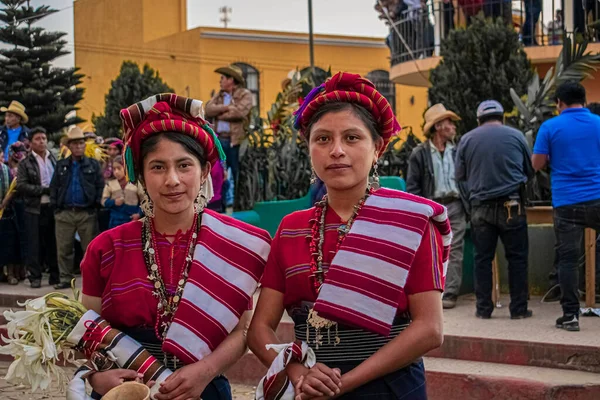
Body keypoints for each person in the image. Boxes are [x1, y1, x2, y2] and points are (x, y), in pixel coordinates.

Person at [249, 72, 451, 399]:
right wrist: (299, 373)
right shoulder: (291, 228)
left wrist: (344, 383)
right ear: (309, 148)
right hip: (309, 388)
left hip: (390, 387)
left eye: (353, 138)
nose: (337, 150)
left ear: (378, 149)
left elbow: (430, 330)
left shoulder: (411, 222)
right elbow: (259, 329)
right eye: (323, 139)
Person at [80, 93, 271, 399]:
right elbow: (88, 329)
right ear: (141, 175)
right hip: (127, 390)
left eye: (184, 165)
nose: (172, 180)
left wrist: (204, 372)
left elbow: (241, 332)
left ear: (204, 171)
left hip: (204, 389)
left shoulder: (232, 246)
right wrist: (98, 375)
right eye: (157, 167)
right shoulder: (106, 248)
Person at [456, 100, 534, 319]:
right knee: (517, 258)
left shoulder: (467, 139)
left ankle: (483, 309)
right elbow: (530, 171)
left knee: (482, 259)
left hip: (480, 208)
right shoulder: (517, 136)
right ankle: (518, 309)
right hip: (512, 205)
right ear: (502, 117)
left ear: (479, 120)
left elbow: (460, 177)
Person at [532, 82, 600, 332]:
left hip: (567, 202)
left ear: (559, 102)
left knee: (568, 261)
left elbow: (536, 164)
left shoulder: (550, 127)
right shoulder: (598, 124)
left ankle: (570, 315)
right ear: (583, 100)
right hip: (598, 197)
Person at [407, 104, 467, 309]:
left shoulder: (458, 150)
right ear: (439, 126)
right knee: (432, 249)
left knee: (455, 248)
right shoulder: (419, 154)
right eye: (449, 123)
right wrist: (421, 209)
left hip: (456, 205)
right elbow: (413, 186)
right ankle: (432, 293)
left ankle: (450, 293)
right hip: (432, 207)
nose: (453, 126)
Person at [50, 126, 104, 289]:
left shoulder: (93, 165)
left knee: (90, 249)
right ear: (70, 146)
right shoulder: (61, 165)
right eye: (75, 144)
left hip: (86, 212)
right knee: (64, 248)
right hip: (65, 212)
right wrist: (56, 207)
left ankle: (92, 280)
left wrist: (95, 205)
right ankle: (65, 278)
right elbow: (54, 186)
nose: (78, 146)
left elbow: (99, 186)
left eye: (81, 143)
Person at [16, 127, 59, 288]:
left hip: (52, 207)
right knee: (34, 244)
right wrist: (42, 190)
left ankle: (55, 276)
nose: (42, 141)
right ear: (31, 142)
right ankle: (35, 277)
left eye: (44, 138)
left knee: (53, 242)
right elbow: (21, 185)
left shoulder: (53, 158)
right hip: (33, 208)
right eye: (38, 139)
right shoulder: (25, 163)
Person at [205, 64, 253, 193]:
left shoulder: (245, 94)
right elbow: (208, 109)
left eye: (222, 78)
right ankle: (222, 204)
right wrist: (226, 108)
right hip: (219, 140)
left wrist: (219, 114)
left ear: (231, 79)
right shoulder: (219, 95)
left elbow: (239, 113)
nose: (220, 81)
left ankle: (238, 203)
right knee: (219, 173)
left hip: (235, 141)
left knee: (237, 173)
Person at [0, 141, 29, 284]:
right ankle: (7, 273)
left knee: (19, 240)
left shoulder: (23, 168)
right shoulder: (6, 168)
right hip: (7, 210)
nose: (20, 155)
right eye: (17, 152)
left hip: (19, 208)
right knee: (7, 242)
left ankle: (19, 271)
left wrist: (6, 200)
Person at [101, 155, 142, 229]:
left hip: (132, 220)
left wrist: (139, 214)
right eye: (114, 169)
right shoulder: (110, 184)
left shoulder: (136, 184)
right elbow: (103, 201)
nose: (116, 172)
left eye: (119, 168)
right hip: (115, 221)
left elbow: (144, 201)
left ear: (126, 168)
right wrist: (114, 202)